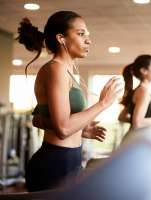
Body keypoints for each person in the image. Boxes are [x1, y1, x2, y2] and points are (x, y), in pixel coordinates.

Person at [17, 11, 123, 192]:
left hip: (70, 160)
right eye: (81, 34)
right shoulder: (55, 69)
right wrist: (103, 103)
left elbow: (38, 119)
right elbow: (64, 128)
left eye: (88, 35)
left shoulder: (67, 71)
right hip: (55, 163)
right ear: (61, 38)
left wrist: (81, 130)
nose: (88, 40)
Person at [119, 54, 151, 130]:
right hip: (137, 139)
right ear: (144, 71)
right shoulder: (142, 92)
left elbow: (122, 117)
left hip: (136, 136)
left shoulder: (138, 90)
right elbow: (137, 123)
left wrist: (137, 121)